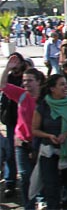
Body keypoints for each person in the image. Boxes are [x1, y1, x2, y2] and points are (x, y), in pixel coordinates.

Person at [31, 74, 67, 209]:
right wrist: (49, 136)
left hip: (66, 151)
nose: (66, 87)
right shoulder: (43, 106)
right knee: (51, 187)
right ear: (52, 89)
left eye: (66, 84)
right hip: (48, 152)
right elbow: (35, 130)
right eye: (61, 84)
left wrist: (66, 134)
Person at [0, 55, 46, 210]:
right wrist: (7, 69)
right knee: (26, 177)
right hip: (22, 143)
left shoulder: (46, 99)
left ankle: (42, 202)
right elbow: (3, 85)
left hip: (40, 143)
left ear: (38, 82)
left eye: (30, 80)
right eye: (24, 81)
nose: (26, 83)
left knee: (41, 176)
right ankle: (29, 206)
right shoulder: (21, 95)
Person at [0, 52, 29, 199]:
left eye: (17, 61)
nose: (14, 64)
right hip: (12, 119)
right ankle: (10, 182)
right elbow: (2, 85)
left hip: (26, 120)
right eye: (12, 61)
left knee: (28, 153)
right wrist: (6, 68)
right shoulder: (9, 77)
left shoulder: (27, 77)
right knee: (11, 153)